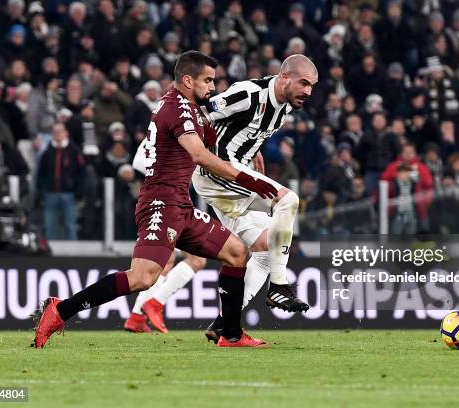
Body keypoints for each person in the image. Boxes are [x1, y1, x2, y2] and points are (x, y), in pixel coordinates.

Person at [33, 51, 279, 349]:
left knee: (237, 253)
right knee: (142, 277)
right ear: (188, 80)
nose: (213, 87)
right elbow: (199, 154)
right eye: (208, 80)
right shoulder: (179, 109)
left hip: (181, 206)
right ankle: (61, 310)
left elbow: (214, 139)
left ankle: (231, 334)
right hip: (161, 204)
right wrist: (248, 178)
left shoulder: (185, 105)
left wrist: (249, 152)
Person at [129, 55, 317, 341]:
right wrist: (193, 150)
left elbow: (244, 131)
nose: (308, 91)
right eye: (304, 83)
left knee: (266, 248)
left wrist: (254, 153)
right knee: (287, 200)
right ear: (284, 78)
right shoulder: (249, 94)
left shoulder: (284, 108)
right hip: (218, 172)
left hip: (230, 177)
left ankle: (223, 324)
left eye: (312, 86)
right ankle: (279, 286)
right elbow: (201, 110)